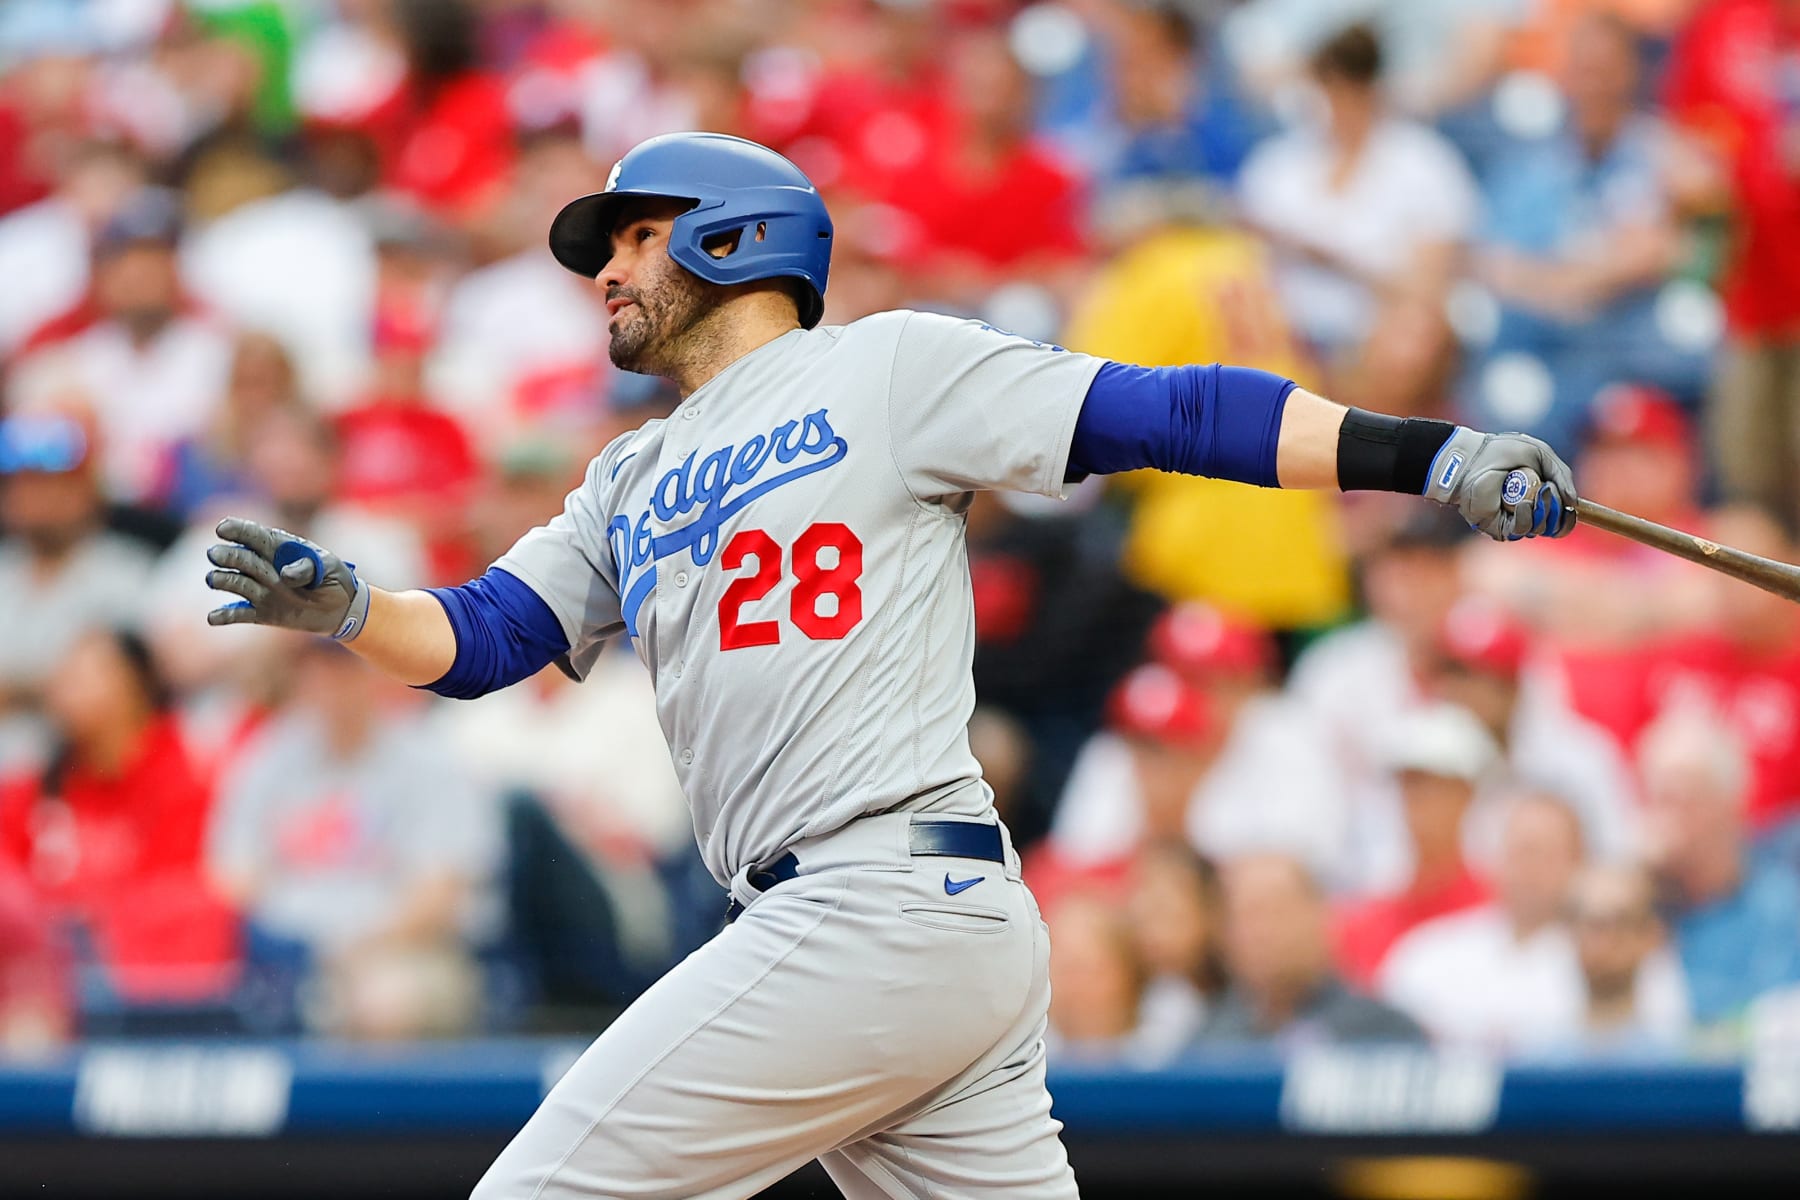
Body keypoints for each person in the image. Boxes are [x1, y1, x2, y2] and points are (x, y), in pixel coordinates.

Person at [202, 131, 1577, 1198]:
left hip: (874, 902)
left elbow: (1165, 409)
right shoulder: (625, 474)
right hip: (902, 930)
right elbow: (485, 637)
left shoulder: (888, 369)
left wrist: (1427, 456)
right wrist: (348, 607)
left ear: (735, 240)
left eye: (631, 237)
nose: (604, 274)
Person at [1378, 791, 1589, 1053]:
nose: (1531, 869)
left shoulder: (1604, 965)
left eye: (1548, 855)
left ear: (1580, 863)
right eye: (1521, 851)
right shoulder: (1426, 955)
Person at [1639, 711, 1800, 1034]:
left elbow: (1773, 1017)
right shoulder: (1639, 900)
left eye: (1687, 800)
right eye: (1660, 800)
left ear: (1732, 804)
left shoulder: (1781, 908)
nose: (1671, 820)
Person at [1333, 703, 1499, 987]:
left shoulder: (1498, 910)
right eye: (1407, 785)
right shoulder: (1363, 922)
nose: (1416, 802)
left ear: (1467, 794)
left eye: (1430, 785)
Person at [1202, 853, 1425, 1050]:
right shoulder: (1208, 1041)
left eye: (1277, 912)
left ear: (1321, 914)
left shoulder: (1382, 1033)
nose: (1260, 933)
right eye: (1245, 917)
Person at [1565, 862, 1692, 1056]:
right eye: (1591, 923)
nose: (1603, 941)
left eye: (1620, 922)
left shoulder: (1679, 1065)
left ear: (1652, 935)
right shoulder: (1534, 1066)